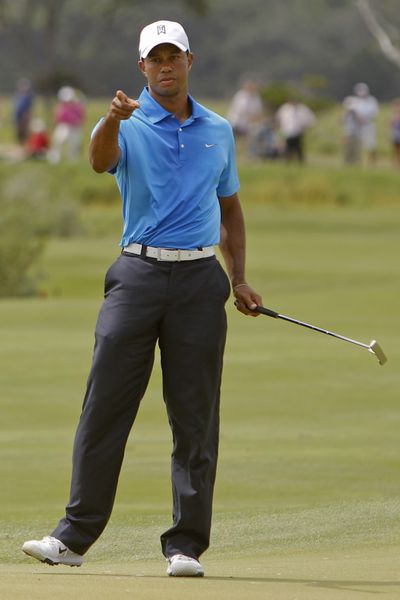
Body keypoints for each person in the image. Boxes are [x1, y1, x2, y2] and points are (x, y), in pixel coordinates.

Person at [22, 20, 262, 578]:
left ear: (189, 60)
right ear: (141, 68)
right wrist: (111, 118)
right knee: (104, 407)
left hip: (201, 279)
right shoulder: (125, 122)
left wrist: (241, 277)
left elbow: (229, 207)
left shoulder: (219, 129)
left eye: (172, 56)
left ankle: (185, 546)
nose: (164, 66)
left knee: (195, 418)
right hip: (137, 274)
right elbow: (98, 161)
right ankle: (73, 538)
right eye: (154, 59)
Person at [342, 83, 379, 165]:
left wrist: (363, 119)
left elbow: (373, 114)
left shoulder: (372, 101)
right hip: (357, 127)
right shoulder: (355, 100)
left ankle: (372, 162)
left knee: (371, 144)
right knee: (358, 145)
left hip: (368, 125)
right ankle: (359, 161)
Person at [48, 86, 86, 163]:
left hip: (74, 127)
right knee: (58, 142)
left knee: (74, 144)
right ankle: (55, 158)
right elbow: (58, 117)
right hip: (63, 126)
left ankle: (73, 160)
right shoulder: (61, 106)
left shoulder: (77, 106)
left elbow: (81, 117)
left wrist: (78, 124)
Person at [227, 80, 264, 152]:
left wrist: (254, 118)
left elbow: (258, 111)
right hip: (236, 121)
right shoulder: (240, 96)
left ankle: (245, 152)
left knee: (248, 139)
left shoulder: (256, 97)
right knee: (232, 139)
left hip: (247, 124)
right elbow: (239, 109)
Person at [275, 98, 316, 163]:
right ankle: (288, 160)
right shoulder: (284, 109)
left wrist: (307, 127)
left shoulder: (302, 109)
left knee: (299, 148)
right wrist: (280, 131)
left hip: (298, 132)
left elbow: (311, 119)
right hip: (287, 132)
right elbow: (278, 119)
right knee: (288, 148)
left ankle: (300, 161)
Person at [13, 78, 35, 145]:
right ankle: (20, 142)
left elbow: (29, 107)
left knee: (25, 129)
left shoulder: (29, 96)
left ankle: (25, 143)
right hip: (18, 115)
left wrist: (27, 115)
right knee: (19, 129)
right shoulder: (18, 94)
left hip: (25, 115)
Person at [390, 98, 400, 167]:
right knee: (395, 149)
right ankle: (395, 163)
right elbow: (391, 125)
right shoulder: (393, 115)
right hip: (395, 134)